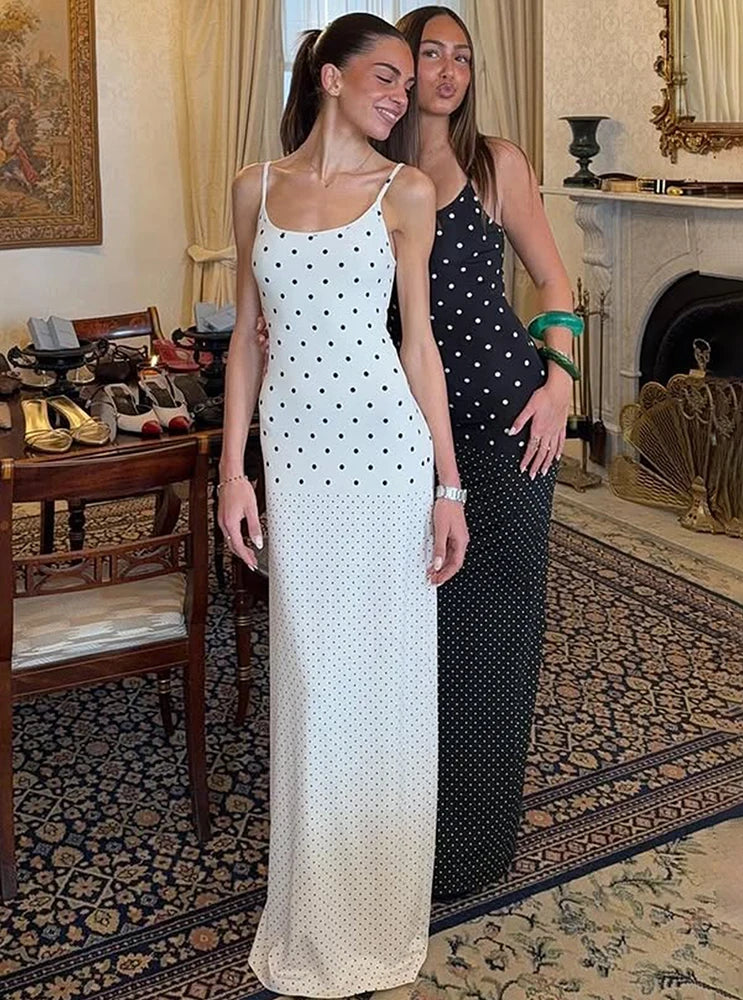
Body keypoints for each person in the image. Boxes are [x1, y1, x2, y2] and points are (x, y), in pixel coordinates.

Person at [218, 13, 468, 997]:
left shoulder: (407, 193)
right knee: (316, 687)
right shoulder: (256, 189)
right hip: (298, 464)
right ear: (328, 77)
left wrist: (448, 484)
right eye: (388, 74)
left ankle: (376, 919)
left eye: (410, 82)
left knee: (388, 692)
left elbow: (420, 349)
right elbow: (245, 335)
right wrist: (232, 473)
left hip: (389, 460)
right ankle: (311, 919)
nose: (403, 94)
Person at [388, 6, 577, 900]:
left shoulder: (497, 164)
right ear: (400, 62)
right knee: (407, 637)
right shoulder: (371, 172)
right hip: (401, 437)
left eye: (463, 57)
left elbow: (553, 278)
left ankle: (472, 849)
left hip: (506, 428)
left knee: (494, 639)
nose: (449, 71)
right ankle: (396, 833)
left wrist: (561, 383)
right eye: (432, 54)